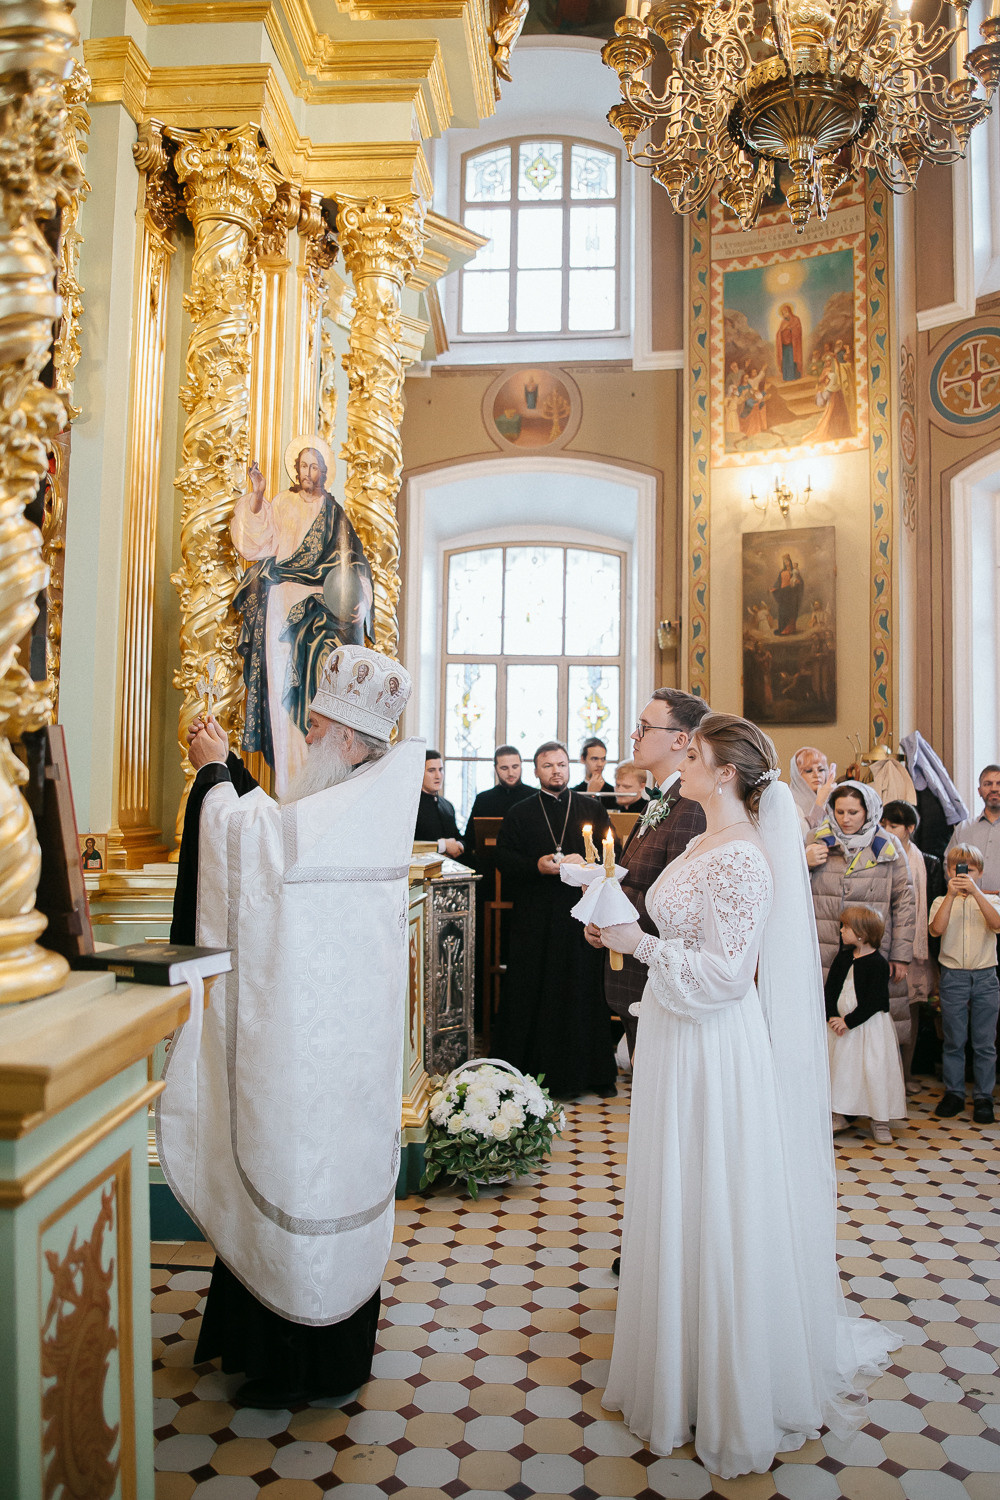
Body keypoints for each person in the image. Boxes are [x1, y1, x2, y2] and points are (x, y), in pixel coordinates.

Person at [595, 712, 899, 1477]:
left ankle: (725, 1382)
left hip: (710, 1044)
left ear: (725, 772)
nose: (683, 762)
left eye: (693, 754)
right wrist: (624, 928)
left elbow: (729, 977)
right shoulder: (703, 840)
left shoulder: (745, 858)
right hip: (673, 1028)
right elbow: (692, 939)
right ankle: (679, 1355)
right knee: (680, 1191)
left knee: (715, 1192)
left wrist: (639, 945)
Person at [158, 644, 422, 1408]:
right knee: (300, 1176)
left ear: (344, 737)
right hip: (328, 1055)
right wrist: (233, 771)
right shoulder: (361, 800)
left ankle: (295, 1366)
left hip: (317, 1058)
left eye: (311, 728)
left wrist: (212, 774)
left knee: (299, 1174)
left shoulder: (352, 805)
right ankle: (296, 1347)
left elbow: (256, 848)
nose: (302, 740)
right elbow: (278, 834)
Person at [231, 439, 374, 797]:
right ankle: (288, 787)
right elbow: (256, 543)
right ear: (295, 469)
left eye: (315, 466)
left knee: (324, 686)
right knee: (283, 695)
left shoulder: (334, 513)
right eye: (303, 466)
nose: (308, 473)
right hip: (282, 606)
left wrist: (359, 601)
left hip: (324, 609)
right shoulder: (282, 504)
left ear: (325, 473)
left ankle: (323, 785)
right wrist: (257, 496)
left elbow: (353, 564)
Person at [585, 689, 709, 1062]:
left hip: (658, 979)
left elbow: (678, 904)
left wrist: (613, 916)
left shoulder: (690, 808)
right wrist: (600, 914)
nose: (634, 736)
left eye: (644, 727)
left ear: (680, 740)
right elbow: (633, 880)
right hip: (637, 976)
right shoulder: (661, 801)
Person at [495, 740, 617, 1097]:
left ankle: (590, 1073)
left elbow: (612, 855)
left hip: (578, 916)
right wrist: (536, 865)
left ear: (570, 767)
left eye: (561, 764)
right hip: (534, 915)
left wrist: (587, 865)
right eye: (547, 766)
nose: (556, 771)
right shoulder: (520, 811)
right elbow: (503, 857)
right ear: (536, 771)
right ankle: (527, 1070)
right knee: (532, 989)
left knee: (580, 988)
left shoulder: (590, 808)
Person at [806, 780, 915, 981]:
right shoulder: (816, 839)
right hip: (823, 947)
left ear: (868, 811)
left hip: (872, 947)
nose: (845, 819)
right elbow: (789, 891)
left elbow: (904, 902)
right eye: (840, 812)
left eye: (853, 812)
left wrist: (901, 955)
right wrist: (804, 862)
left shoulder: (888, 845)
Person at [929, 844, 1000, 1124]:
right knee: (954, 1040)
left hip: (986, 976)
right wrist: (950, 895)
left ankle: (983, 1097)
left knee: (985, 1043)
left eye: (969, 870)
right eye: (957, 869)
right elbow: (936, 929)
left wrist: (976, 893)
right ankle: (954, 1093)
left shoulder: (992, 900)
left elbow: (996, 924)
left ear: (979, 872)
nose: (962, 875)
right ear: (948, 872)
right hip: (953, 977)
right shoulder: (940, 900)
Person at [826, 905, 906, 1144]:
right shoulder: (843, 957)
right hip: (839, 1028)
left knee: (873, 1070)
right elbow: (830, 989)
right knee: (843, 1070)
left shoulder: (878, 964)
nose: (841, 931)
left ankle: (879, 1119)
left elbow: (875, 1000)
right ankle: (840, 1113)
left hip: (867, 1027)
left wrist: (849, 1021)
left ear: (861, 933)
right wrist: (832, 1016)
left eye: (846, 927)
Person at [881, 800, 945, 1091]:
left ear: (909, 828)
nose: (887, 830)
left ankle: (905, 1074)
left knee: (912, 1014)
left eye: (893, 825)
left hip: (918, 952)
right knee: (885, 1013)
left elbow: (931, 907)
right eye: (883, 824)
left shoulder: (928, 863)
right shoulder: (877, 855)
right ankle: (886, 1079)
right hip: (884, 944)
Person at [462, 744, 534, 860]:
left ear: (521, 765)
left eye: (515, 767)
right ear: (495, 768)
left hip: (527, 865)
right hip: (490, 864)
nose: (511, 773)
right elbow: (470, 839)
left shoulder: (535, 796)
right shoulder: (483, 799)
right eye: (504, 768)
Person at [946, 763, 1000, 894]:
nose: (994, 788)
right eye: (987, 784)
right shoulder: (963, 828)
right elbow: (948, 866)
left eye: (999, 783)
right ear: (979, 791)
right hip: (966, 904)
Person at [415, 750, 464, 857]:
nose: (438, 776)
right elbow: (411, 843)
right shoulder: (412, 807)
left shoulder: (447, 805)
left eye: (441, 770)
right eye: (431, 770)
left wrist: (460, 845)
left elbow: (457, 837)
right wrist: (443, 845)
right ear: (419, 773)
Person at [790, 745, 837, 838]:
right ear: (797, 777)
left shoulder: (835, 796)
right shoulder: (790, 802)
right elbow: (803, 837)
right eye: (808, 771)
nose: (816, 774)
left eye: (821, 770)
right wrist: (820, 803)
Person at [776, 301, 803, 381]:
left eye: (786, 312)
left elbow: (798, 331)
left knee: (792, 360)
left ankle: (794, 376)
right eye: (783, 313)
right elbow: (779, 332)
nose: (784, 314)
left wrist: (790, 329)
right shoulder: (783, 322)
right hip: (784, 345)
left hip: (793, 345)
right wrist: (781, 333)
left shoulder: (796, 319)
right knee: (786, 361)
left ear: (789, 311)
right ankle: (787, 377)